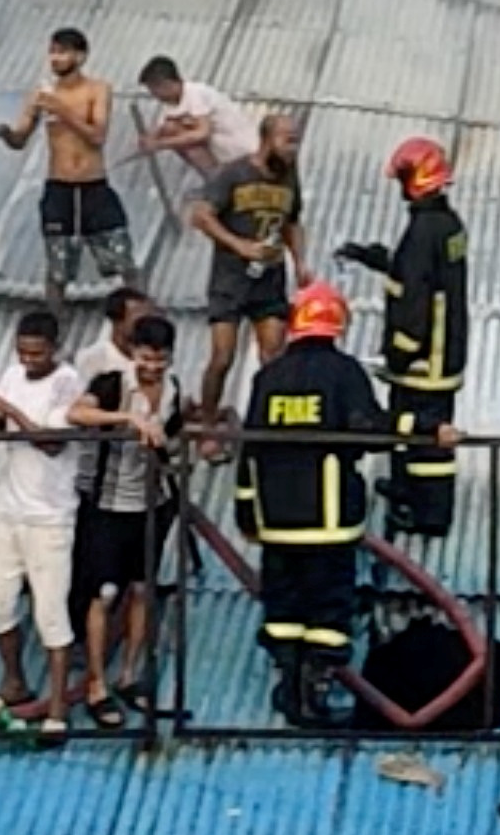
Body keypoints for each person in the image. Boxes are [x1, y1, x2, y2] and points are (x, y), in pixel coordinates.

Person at [236, 281, 382, 727]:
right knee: (328, 606)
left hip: (276, 520)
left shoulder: (268, 376)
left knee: (283, 605)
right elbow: (369, 427)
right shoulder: (344, 373)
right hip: (329, 519)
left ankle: (288, 681)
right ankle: (315, 690)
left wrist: (246, 509)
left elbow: (249, 449)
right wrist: (423, 429)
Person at [337, 135, 468, 537]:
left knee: (423, 433)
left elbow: (413, 298)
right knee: (419, 428)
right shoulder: (445, 224)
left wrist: (399, 353)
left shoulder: (424, 229)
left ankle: (427, 513)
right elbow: (419, 271)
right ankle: (407, 489)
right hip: (444, 352)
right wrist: (375, 257)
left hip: (423, 358)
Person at [68, 313, 182, 727]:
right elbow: (77, 414)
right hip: (108, 505)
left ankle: (130, 673)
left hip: (152, 505)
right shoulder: (112, 384)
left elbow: (175, 435)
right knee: (102, 594)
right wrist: (128, 419)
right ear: (133, 354)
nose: (152, 367)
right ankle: (96, 683)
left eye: (160, 359)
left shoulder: (173, 391)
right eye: (145, 358)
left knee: (141, 589)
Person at [0, 310, 86, 737]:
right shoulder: (10, 375)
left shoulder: (67, 384)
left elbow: (51, 442)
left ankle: (58, 706)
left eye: (36, 353)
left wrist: (10, 410)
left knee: (50, 613)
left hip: (50, 515)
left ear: (54, 348)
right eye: (22, 352)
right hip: (9, 507)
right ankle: (15, 680)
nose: (27, 360)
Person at [186, 110, 308, 425]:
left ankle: (269, 419)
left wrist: (301, 263)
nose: (293, 149)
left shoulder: (290, 176)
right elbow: (201, 216)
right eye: (288, 141)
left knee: (274, 356)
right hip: (230, 279)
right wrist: (239, 245)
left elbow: (292, 223)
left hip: (270, 278)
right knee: (223, 357)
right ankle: (209, 420)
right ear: (267, 139)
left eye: (296, 142)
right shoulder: (233, 174)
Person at [0, 26, 132, 303]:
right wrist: (8, 135)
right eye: (52, 52)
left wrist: (62, 110)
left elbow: (97, 136)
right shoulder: (40, 94)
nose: (55, 59)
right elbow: (21, 138)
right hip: (59, 188)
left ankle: (140, 319)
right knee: (57, 270)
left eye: (62, 52)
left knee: (122, 261)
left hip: (94, 186)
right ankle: (54, 328)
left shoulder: (97, 89)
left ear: (80, 57)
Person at [129, 56, 258, 176]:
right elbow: (162, 127)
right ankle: (214, 177)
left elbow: (202, 133)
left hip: (243, 152)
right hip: (226, 158)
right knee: (171, 130)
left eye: (154, 90)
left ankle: (214, 177)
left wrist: (161, 144)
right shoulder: (173, 105)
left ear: (165, 84)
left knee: (179, 135)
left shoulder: (195, 93)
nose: (154, 96)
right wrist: (150, 140)